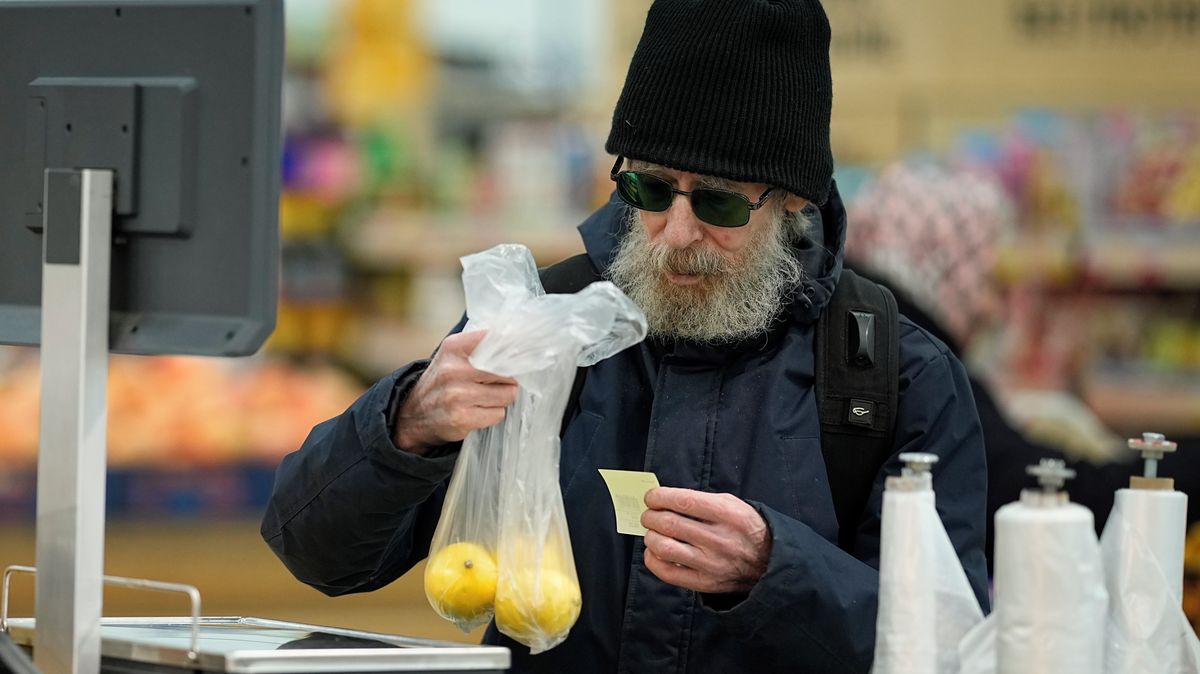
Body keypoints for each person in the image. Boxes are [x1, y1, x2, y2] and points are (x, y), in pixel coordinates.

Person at [261, 2, 990, 672]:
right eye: (648, 188)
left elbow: (951, 649)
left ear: (794, 200)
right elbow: (316, 552)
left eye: (718, 201)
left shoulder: (895, 376)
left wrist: (778, 569)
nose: (677, 233)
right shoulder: (541, 324)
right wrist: (408, 423)